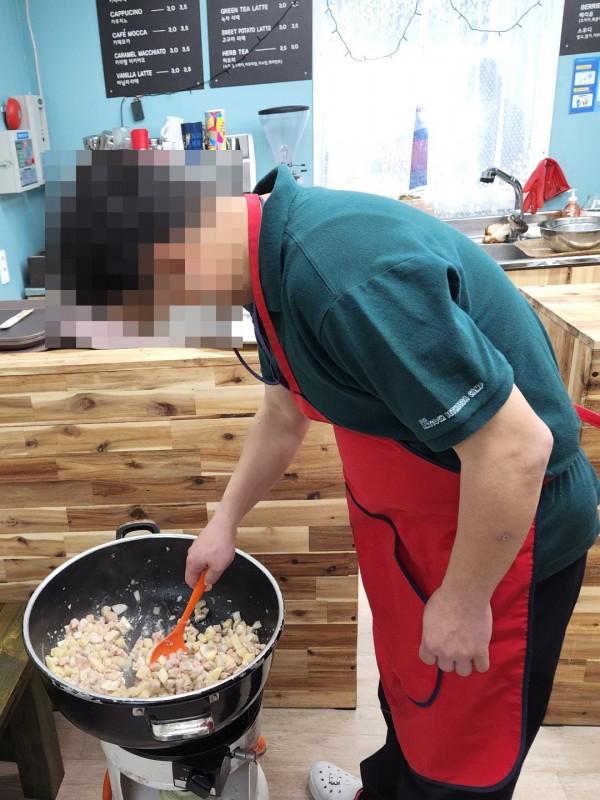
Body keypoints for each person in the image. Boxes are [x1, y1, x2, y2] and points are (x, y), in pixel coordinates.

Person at [51, 153, 600, 800]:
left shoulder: (346, 279)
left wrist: (462, 599)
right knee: (408, 698)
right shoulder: (261, 266)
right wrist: (223, 522)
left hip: (503, 539)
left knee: (460, 759)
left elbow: (515, 450)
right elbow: (283, 413)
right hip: (417, 530)